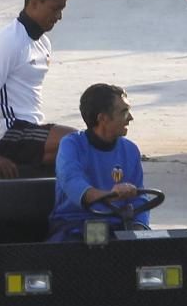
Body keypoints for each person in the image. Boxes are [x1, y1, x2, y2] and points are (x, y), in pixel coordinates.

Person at [0, 0, 77, 178]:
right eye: (55, 9)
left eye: (62, 10)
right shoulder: (8, 41)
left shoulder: (44, 43)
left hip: (31, 130)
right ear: (34, 3)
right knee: (73, 142)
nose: (59, 17)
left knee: (86, 147)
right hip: (10, 134)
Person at [47, 83, 146, 242]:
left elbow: (140, 199)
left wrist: (139, 229)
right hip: (73, 226)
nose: (131, 118)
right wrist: (110, 195)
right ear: (103, 119)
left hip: (117, 226)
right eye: (124, 112)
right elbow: (75, 185)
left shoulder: (130, 150)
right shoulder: (71, 145)